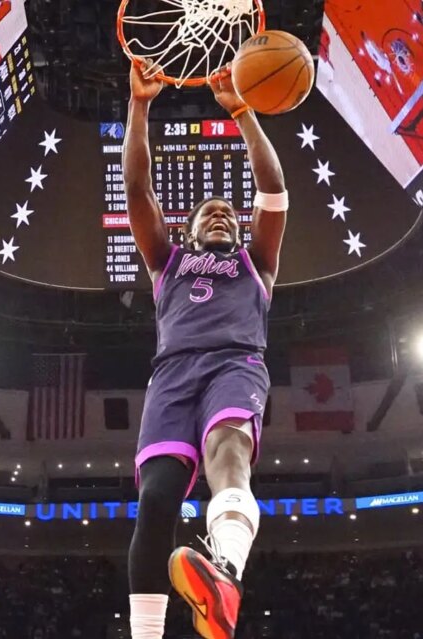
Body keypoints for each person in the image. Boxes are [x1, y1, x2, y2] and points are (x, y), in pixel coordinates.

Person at [123, 58, 288, 639]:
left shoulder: (255, 262)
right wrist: (139, 104)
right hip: (171, 375)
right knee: (156, 502)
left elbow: (274, 191)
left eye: (228, 214)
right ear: (189, 231)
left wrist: (243, 112)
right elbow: (137, 188)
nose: (220, 215)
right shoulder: (166, 261)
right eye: (208, 214)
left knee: (228, 450)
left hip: (235, 363)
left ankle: (226, 577)